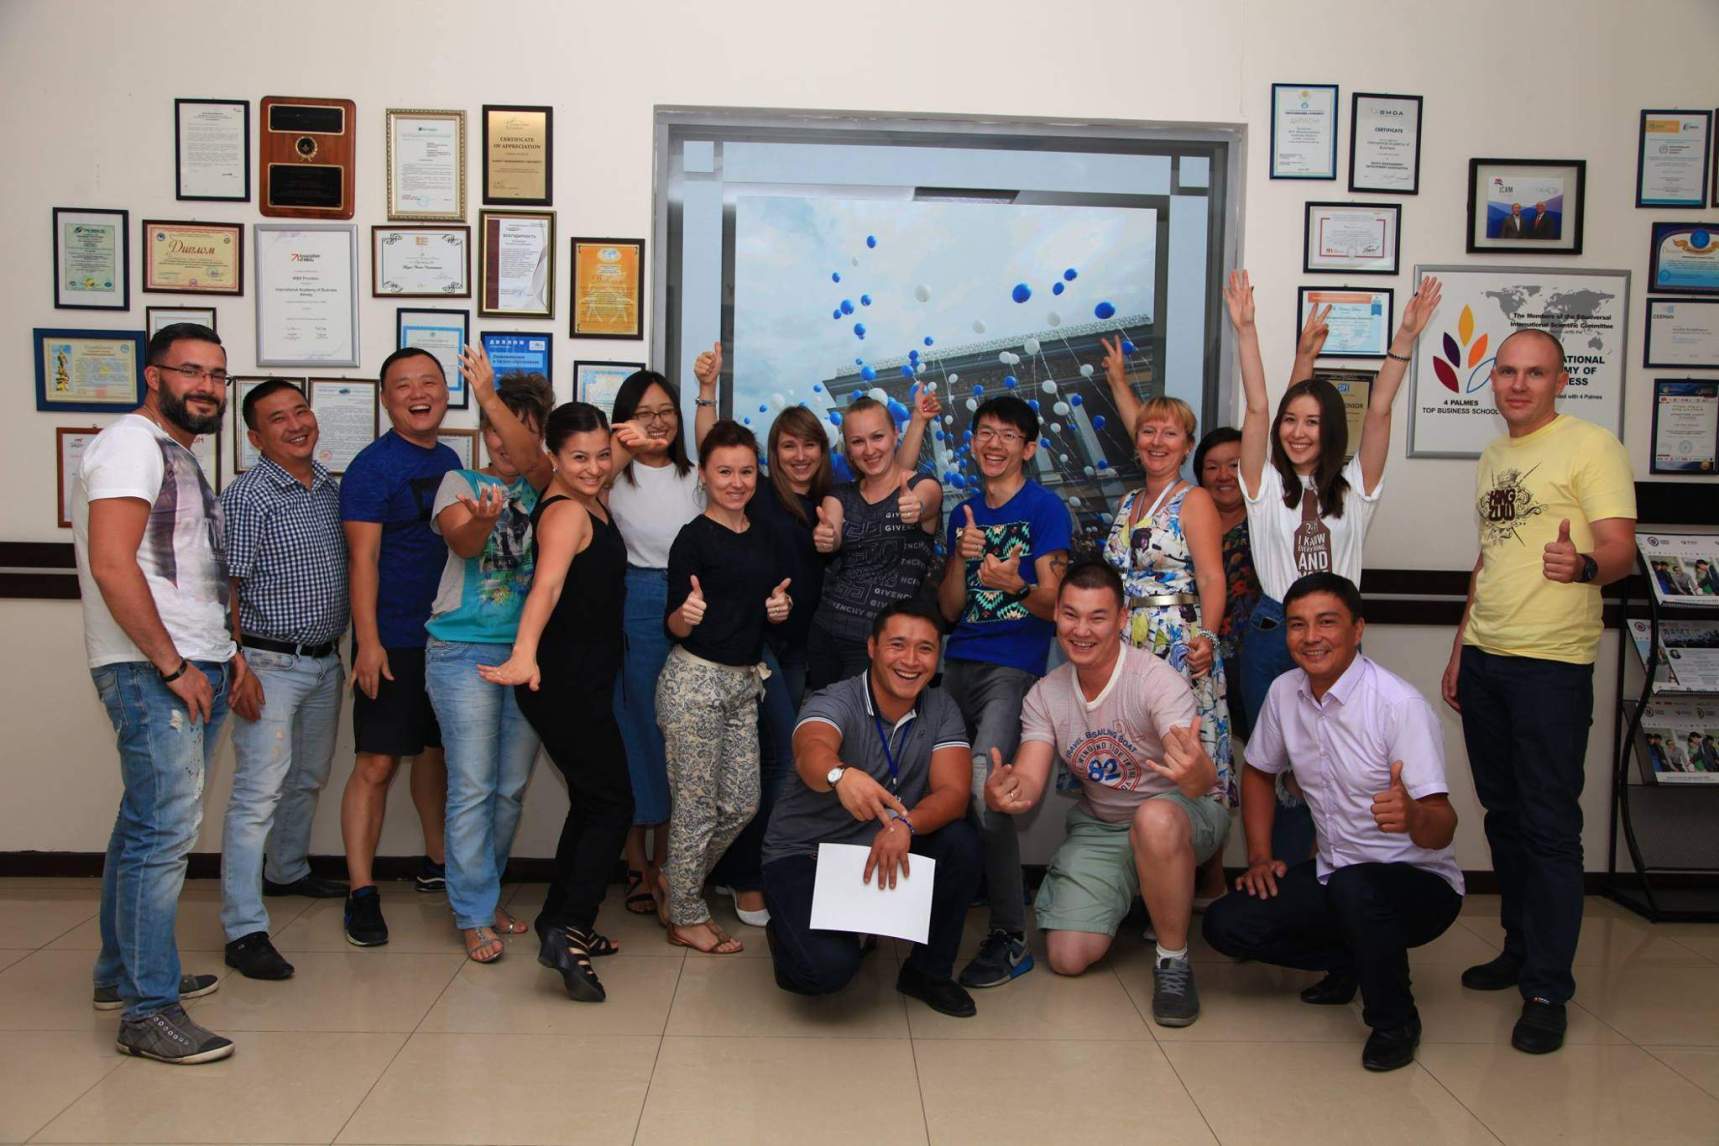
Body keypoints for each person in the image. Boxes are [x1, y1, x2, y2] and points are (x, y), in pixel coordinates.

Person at [1440, 327, 1636, 1055]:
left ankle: (1549, 988)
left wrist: (1581, 566)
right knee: (1504, 816)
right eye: (1507, 372)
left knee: (1550, 826)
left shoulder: (1592, 446)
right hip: (1487, 657)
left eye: (1534, 373)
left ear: (1560, 381)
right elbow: (1488, 558)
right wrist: (1460, 645)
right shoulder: (1495, 455)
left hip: (1551, 664)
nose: (1518, 385)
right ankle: (1519, 949)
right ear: (1492, 380)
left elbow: (1621, 549)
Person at [1203, 573, 1463, 1073]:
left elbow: (1443, 825)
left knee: (1355, 888)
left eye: (1326, 622)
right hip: (1336, 872)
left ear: (1357, 629)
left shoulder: (1398, 705)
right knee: (1226, 923)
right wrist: (1259, 856)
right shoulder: (1285, 692)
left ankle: (1395, 1023)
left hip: (1419, 884)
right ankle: (1352, 959)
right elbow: (1258, 772)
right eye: (1297, 625)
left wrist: (1412, 815)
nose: (1311, 637)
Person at [1230, 270, 1442, 862]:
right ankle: (1276, 873)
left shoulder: (1354, 488)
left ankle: (1333, 869)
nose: (1298, 433)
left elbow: (1379, 415)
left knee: (1334, 765)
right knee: (1275, 766)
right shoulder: (1262, 487)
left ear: (1331, 431)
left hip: (1336, 631)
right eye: (1291, 422)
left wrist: (1404, 339)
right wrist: (1247, 330)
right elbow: (1257, 406)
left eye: (1313, 423)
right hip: (1273, 628)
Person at [73, 321, 240, 1063]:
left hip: (192, 661)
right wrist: (172, 667)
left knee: (142, 826)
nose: (206, 386)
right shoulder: (129, 445)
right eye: (190, 371)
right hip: (153, 670)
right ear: (153, 375)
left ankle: (122, 975)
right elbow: (114, 565)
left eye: (217, 375)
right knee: (162, 835)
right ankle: (148, 1010)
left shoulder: (174, 450)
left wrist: (223, 655)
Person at [985, 560, 1226, 1028]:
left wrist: (1196, 771)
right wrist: (1005, 794)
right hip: (1104, 826)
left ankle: (1173, 960)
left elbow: (1198, 782)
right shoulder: (1045, 694)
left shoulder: (1154, 680)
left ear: (1121, 619)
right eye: (1071, 615)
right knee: (1067, 956)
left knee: (1154, 819)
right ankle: (1143, 891)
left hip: (1180, 814)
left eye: (1097, 617)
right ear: (1056, 615)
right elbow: (1029, 780)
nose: (1082, 630)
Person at [479, 402, 636, 1002]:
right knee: (612, 803)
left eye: (602, 456)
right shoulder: (566, 512)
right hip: (561, 683)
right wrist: (524, 655)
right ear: (553, 458)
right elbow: (544, 587)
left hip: (583, 681)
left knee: (594, 802)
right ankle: (567, 930)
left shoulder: (586, 495)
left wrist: (629, 439)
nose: (594, 467)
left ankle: (561, 920)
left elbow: (608, 457)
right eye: (579, 458)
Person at [763, 599, 983, 1017]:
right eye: (897, 645)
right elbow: (811, 751)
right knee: (825, 971)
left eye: (925, 649)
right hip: (808, 853)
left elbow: (953, 793)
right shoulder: (835, 699)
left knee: (960, 841)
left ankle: (927, 973)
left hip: (887, 842)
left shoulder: (941, 708)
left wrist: (906, 825)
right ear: (872, 648)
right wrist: (840, 776)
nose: (911, 660)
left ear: (937, 656)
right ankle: (791, 934)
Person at [934, 395, 1071, 990]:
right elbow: (949, 610)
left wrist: (1014, 584)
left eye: (1008, 435)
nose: (994, 444)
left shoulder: (1045, 509)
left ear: (1029, 448)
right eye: (985, 433)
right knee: (941, 784)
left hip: (1013, 668)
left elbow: (1057, 605)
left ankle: (1011, 936)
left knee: (987, 791)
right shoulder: (962, 513)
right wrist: (960, 560)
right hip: (957, 665)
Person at [424, 351, 554, 963]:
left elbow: (534, 459)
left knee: (509, 789)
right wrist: (483, 520)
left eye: (518, 430)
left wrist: (491, 399)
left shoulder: (546, 483)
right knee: (473, 786)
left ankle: (488, 892)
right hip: (461, 652)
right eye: (494, 430)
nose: (503, 442)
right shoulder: (460, 482)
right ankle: (473, 912)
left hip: (525, 654)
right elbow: (463, 542)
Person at [217, 379, 349, 983]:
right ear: (254, 436)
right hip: (267, 665)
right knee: (257, 795)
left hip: (324, 661)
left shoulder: (327, 486)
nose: (296, 425)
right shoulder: (248, 496)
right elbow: (225, 585)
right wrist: (236, 664)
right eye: (278, 419)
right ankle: (243, 929)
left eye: (301, 411)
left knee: (308, 776)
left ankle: (287, 871)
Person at [337, 346, 460, 947]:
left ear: (445, 392)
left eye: (429, 382)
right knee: (378, 763)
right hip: (391, 640)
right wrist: (368, 642)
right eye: (404, 384)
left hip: (446, 639)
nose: (419, 393)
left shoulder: (452, 460)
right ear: (386, 399)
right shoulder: (371, 468)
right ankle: (361, 890)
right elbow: (361, 560)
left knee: (433, 754)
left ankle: (436, 862)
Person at [657, 419, 789, 953]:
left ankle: (676, 880)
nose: (737, 482)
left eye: (746, 471)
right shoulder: (692, 539)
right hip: (694, 682)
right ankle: (685, 915)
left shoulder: (763, 536)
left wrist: (779, 608)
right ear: (705, 476)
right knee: (694, 808)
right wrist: (685, 615)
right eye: (724, 472)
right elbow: (673, 623)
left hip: (743, 684)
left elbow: (769, 601)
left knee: (740, 804)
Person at [1097, 385, 1232, 880]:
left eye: (1169, 433)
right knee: (1137, 748)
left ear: (1187, 445)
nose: (1157, 441)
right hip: (1124, 642)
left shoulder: (1194, 500)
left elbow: (1212, 577)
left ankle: (1199, 876)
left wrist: (1208, 639)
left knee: (1183, 748)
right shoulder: (1128, 501)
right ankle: (1142, 872)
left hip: (1178, 642)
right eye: (1148, 431)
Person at [710, 405, 835, 927]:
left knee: (770, 764)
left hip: (800, 649)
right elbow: (712, 451)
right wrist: (706, 392)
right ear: (772, 453)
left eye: (809, 444)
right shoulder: (759, 492)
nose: (799, 455)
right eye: (788, 445)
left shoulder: (827, 503)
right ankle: (748, 879)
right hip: (759, 646)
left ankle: (739, 867)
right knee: (783, 759)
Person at [605, 355, 719, 918]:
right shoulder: (609, 476)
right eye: (644, 413)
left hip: (694, 602)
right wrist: (616, 447)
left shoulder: (696, 476)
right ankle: (636, 866)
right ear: (623, 419)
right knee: (638, 732)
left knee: (682, 735)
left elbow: (713, 442)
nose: (657, 422)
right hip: (635, 604)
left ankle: (673, 867)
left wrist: (705, 389)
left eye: (665, 411)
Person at [807, 396, 944, 690]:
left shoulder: (922, 485)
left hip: (881, 645)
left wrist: (917, 507)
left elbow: (926, 501)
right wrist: (827, 537)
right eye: (858, 441)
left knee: (864, 718)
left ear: (895, 434)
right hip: (825, 634)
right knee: (822, 716)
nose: (869, 450)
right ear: (848, 449)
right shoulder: (839, 495)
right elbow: (832, 532)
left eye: (877, 437)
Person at [1194, 427, 1261, 742]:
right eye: (1212, 467)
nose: (1223, 476)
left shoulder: (1266, 521)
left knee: (1260, 745)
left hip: (1253, 656)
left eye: (1234, 465)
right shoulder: (1184, 522)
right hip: (1198, 656)